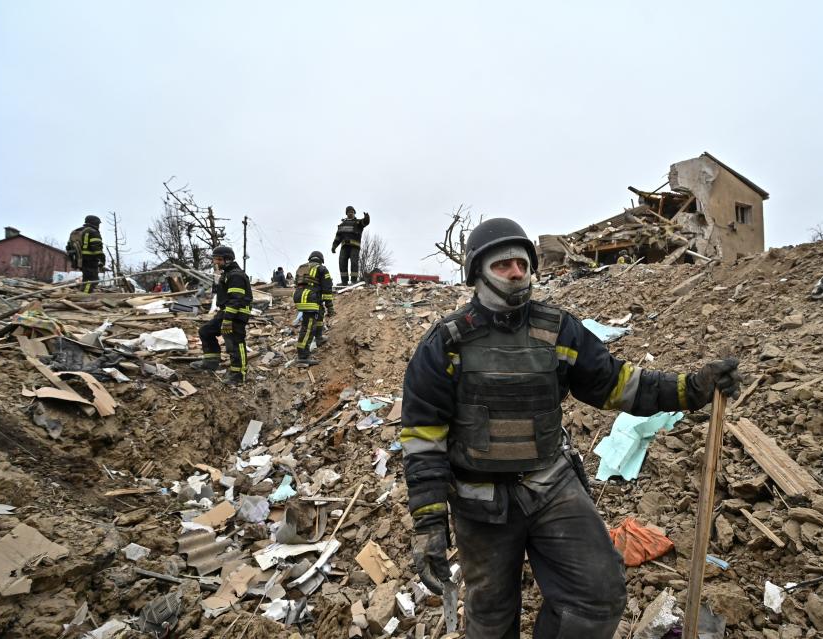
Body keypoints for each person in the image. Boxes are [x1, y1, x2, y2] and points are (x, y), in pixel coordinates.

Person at [400, 218, 742, 638]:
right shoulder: (446, 343)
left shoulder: (558, 329)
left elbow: (617, 384)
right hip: (480, 503)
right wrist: (429, 525)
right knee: (489, 619)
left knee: (599, 595)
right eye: (503, 264)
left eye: (522, 264)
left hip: (551, 488)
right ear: (477, 273)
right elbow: (423, 438)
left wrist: (691, 390)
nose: (516, 273)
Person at [189, 246, 252, 385]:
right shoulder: (227, 274)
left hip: (236, 314)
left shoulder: (236, 275)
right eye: (214, 259)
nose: (215, 262)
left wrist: (228, 320)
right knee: (205, 331)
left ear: (227, 259)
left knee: (235, 342)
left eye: (218, 259)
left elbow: (236, 299)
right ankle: (210, 362)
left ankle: (238, 374)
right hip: (226, 311)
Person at [292, 251, 333, 366]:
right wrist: (330, 307)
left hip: (300, 296)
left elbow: (298, 282)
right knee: (308, 327)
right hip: (310, 299)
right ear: (321, 260)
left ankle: (318, 338)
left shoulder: (302, 267)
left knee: (319, 314)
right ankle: (303, 356)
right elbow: (327, 289)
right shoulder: (322, 269)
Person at [331, 205, 370, 285]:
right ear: (346, 213)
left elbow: (365, 222)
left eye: (352, 212)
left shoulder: (358, 223)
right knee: (342, 263)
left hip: (354, 247)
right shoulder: (342, 225)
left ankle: (353, 281)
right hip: (344, 247)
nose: (350, 213)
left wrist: (366, 217)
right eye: (349, 212)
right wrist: (334, 246)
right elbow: (338, 237)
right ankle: (344, 282)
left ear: (354, 213)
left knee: (354, 263)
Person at [67, 215, 106, 293]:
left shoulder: (76, 232)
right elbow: (97, 248)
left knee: (87, 279)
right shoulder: (93, 232)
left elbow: (68, 247)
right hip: (91, 260)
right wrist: (102, 260)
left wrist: (73, 260)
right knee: (92, 280)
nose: (99, 226)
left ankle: (83, 293)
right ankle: (85, 295)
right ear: (95, 223)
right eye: (98, 224)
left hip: (79, 260)